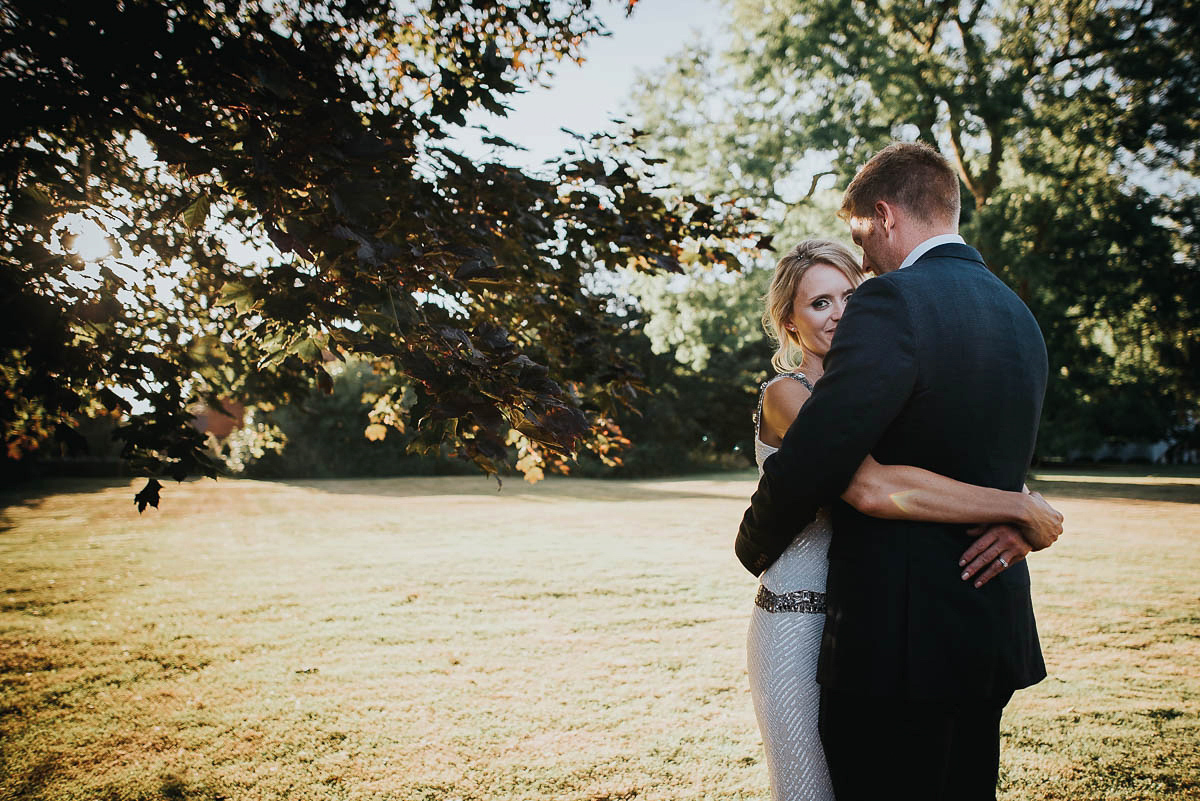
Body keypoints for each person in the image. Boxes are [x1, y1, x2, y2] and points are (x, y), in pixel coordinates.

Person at [737, 142, 1058, 801]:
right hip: (986, 626)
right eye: (820, 301)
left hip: (895, 644)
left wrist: (752, 542)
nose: (862, 263)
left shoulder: (894, 303)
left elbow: (862, 480)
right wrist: (1019, 507)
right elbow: (967, 444)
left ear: (883, 215)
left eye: (858, 236)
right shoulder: (1017, 315)